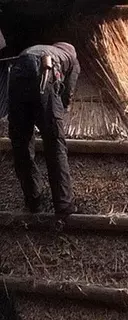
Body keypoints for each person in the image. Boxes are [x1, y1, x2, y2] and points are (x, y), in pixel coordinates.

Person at [8, 42, 80, 217]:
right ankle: (63, 205)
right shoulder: (72, 60)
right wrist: (59, 112)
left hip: (18, 72)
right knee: (55, 143)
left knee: (21, 143)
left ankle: (33, 200)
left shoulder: (41, 48)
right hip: (44, 71)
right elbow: (67, 94)